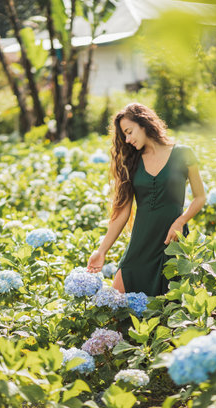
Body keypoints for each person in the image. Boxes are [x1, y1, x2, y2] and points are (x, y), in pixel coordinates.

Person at [87, 103, 206, 297]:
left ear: (143, 123)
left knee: (168, 310)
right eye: (124, 135)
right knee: (117, 306)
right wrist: (101, 251)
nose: (127, 139)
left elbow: (200, 197)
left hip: (172, 242)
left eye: (129, 131)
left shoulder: (184, 154)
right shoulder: (131, 162)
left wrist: (180, 221)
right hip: (140, 245)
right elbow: (122, 212)